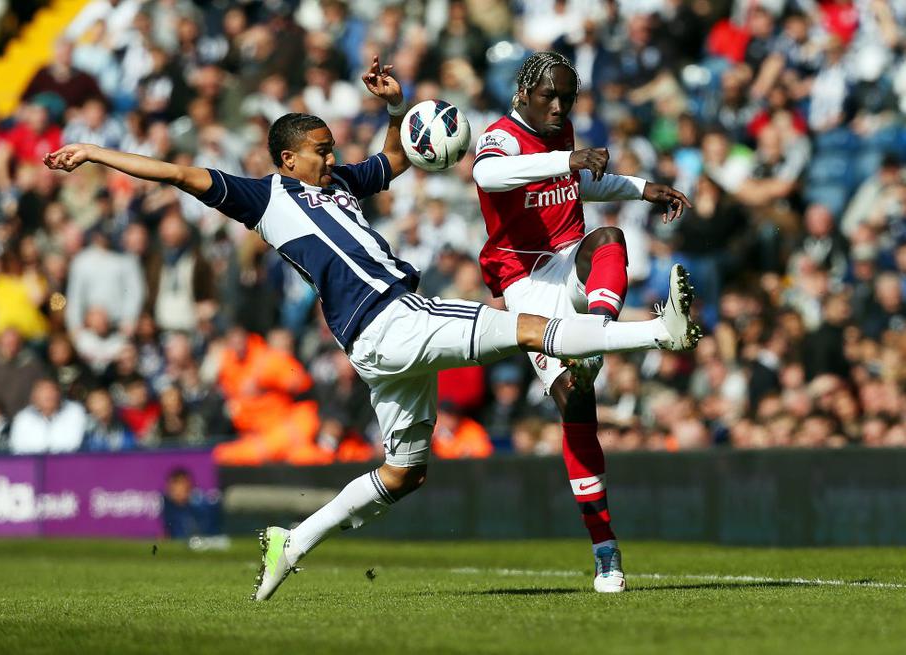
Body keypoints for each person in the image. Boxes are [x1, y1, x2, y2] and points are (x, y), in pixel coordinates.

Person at [44, 56, 699, 603]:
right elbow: (178, 173)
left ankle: (292, 541)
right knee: (533, 330)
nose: (331, 158)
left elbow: (394, 159)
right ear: (286, 158)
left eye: (332, 148)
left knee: (404, 472)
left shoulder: (340, 185)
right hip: (395, 316)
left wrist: (396, 108)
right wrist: (94, 153)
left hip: (372, 346)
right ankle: (657, 334)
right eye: (320, 151)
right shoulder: (263, 198)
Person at [471, 51, 698, 592]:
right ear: (523, 93)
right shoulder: (501, 136)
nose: (558, 106)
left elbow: (575, 186)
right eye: (548, 95)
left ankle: (593, 339)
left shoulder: (562, 133)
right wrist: (565, 160)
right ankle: (604, 548)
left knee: (609, 238)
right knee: (577, 406)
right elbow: (488, 175)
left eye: (567, 97)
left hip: (568, 258)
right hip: (524, 281)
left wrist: (641, 188)